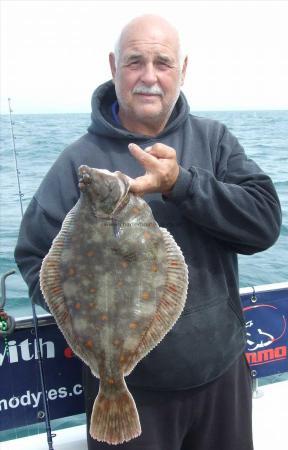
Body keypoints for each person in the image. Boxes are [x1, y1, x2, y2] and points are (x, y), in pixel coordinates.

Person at [15, 14, 281, 450]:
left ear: (183, 69)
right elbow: (32, 257)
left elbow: (264, 226)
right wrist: (81, 302)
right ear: (113, 66)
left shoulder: (214, 141)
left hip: (222, 376)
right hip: (135, 394)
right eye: (135, 61)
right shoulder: (76, 162)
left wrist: (182, 184)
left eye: (163, 62)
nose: (149, 77)